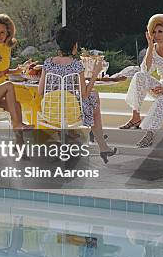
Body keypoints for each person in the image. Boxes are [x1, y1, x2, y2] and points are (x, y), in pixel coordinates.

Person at [37, 26, 117, 163]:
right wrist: (95, 74)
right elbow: (84, 94)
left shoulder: (48, 63)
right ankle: (101, 142)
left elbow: (40, 91)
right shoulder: (76, 65)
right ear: (74, 45)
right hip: (70, 112)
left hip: (50, 111)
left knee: (94, 96)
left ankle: (99, 139)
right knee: (93, 99)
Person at [120, 14, 163, 148]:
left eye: (160, 32)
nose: (156, 35)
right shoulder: (152, 49)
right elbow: (145, 71)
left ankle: (150, 134)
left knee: (162, 100)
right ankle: (135, 116)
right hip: (161, 87)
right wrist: (150, 48)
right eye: (154, 32)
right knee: (139, 76)